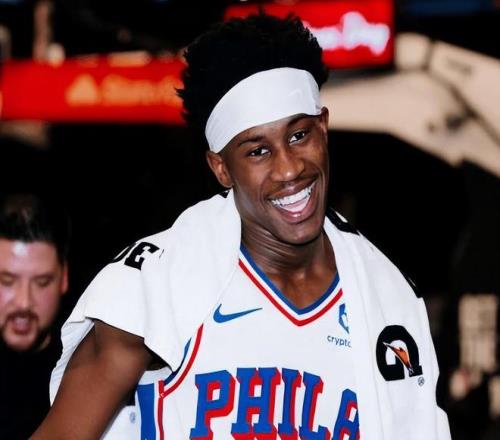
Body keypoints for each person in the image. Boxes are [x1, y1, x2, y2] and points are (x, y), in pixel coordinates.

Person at [33, 14, 451, 439]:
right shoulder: (156, 284)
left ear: (323, 128)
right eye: (257, 151)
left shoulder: (388, 299)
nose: (289, 169)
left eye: (299, 135)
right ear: (221, 168)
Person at [0, 193, 70, 440]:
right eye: (7, 281)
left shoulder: (85, 366)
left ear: (63, 278)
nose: (24, 301)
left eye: (42, 282)